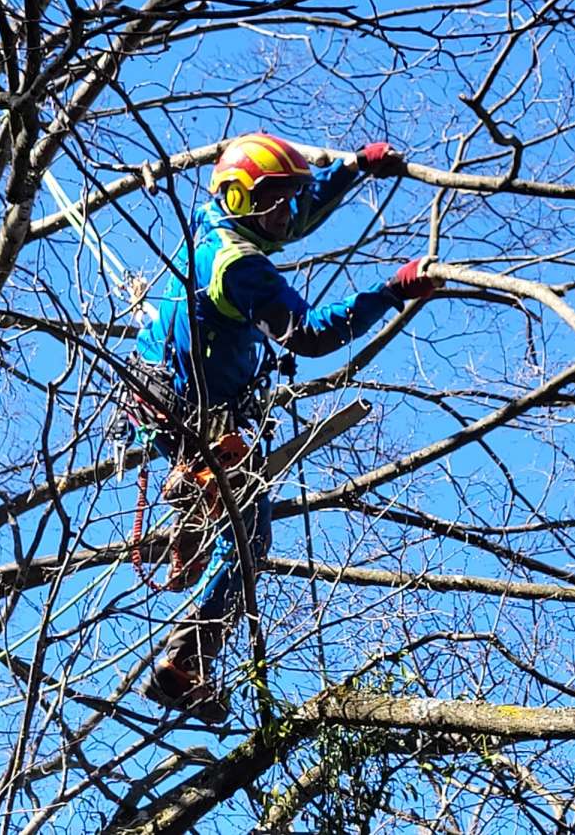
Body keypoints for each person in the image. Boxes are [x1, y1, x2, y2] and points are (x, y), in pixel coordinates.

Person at [131, 132, 439, 722]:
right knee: (251, 536)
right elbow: (311, 334)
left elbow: (291, 223)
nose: (287, 212)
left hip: (157, 397)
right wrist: (390, 291)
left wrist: (351, 169)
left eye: (290, 198)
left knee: (226, 506)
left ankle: (190, 514)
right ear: (245, 199)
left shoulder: (213, 222)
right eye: (276, 199)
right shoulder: (239, 265)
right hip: (197, 412)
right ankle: (186, 658)